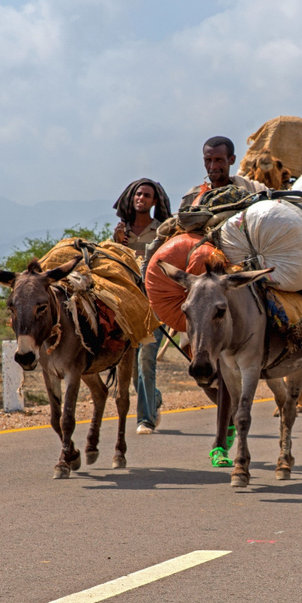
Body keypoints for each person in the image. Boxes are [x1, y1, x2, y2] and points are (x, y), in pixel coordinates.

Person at [113, 178, 171, 434]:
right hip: (127, 307)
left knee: (146, 359)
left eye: (147, 195)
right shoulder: (120, 233)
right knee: (134, 368)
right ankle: (153, 397)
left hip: (153, 306)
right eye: (138, 194)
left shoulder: (162, 231)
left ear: (154, 201)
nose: (141, 198)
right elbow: (111, 265)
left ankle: (145, 419)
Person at [179, 135, 262, 210]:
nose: (212, 167)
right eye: (208, 160)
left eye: (218, 160)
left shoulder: (253, 189)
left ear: (231, 160)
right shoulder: (193, 197)